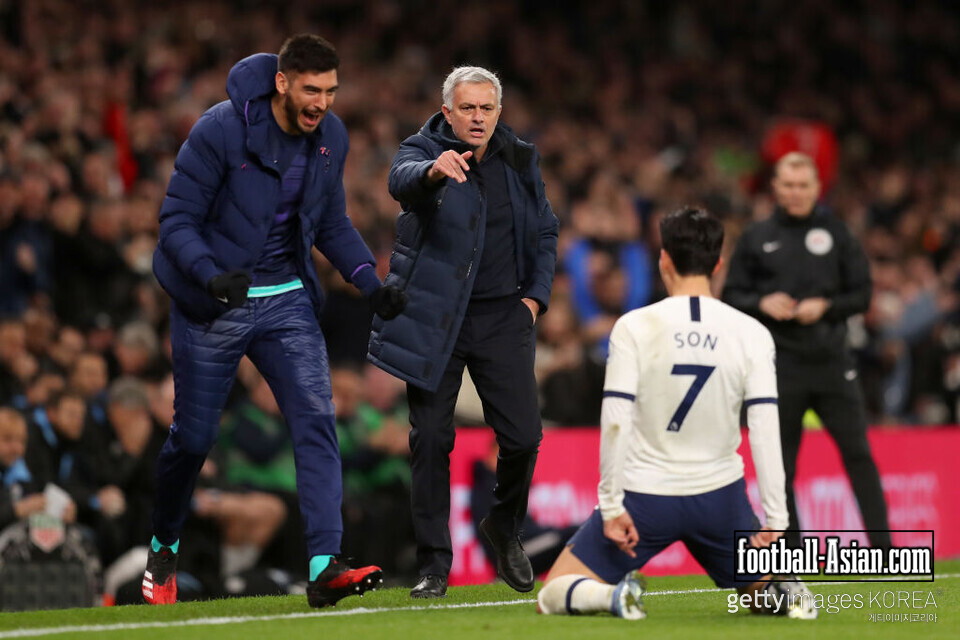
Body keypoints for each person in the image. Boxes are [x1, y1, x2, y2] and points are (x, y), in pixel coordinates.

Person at [146, 33, 407, 607]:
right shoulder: (219, 129)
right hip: (214, 301)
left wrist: (370, 284)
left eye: (331, 91)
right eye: (312, 90)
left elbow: (331, 222)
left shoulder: (331, 137)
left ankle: (324, 565)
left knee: (317, 419)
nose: (322, 103)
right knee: (193, 440)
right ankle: (164, 545)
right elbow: (176, 221)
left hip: (286, 296)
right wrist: (211, 275)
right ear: (282, 83)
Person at [537, 207, 816, 620]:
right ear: (718, 265)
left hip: (646, 498)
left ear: (664, 259)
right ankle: (784, 591)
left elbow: (615, 420)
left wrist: (611, 505)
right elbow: (764, 429)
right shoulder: (752, 333)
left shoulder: (633, 327)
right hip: (721, 499)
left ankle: (612, 598)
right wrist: (777, 517)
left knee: (553, 593)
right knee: (762, 593)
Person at [369, 66, 559, 598]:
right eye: (468, 108)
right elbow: (400, 181)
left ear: (499, 112)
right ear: (447, 112)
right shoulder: (420, 149)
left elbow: (545, 229)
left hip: (504, 318)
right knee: (431, 439)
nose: (477, 117)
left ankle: (503, 524)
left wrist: (534, 300)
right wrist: (433, 170)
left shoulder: (519, 157)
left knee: (523, 437)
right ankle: (434, 564)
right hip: (438, 319)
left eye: (486, 108)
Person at [722, 152, 891, 550]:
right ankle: (794, 553)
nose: (796, 192)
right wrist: (762, 302)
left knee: (859, 455)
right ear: (775, 187)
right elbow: (731, 295)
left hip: (832, 362)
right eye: (789, 185)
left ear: (817, 188)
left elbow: (863, 294)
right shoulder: (756, 236)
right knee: (780, 467)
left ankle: (885, 551)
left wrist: (826, 307)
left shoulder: (838, 233)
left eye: (803, 185)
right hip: (779, 367)